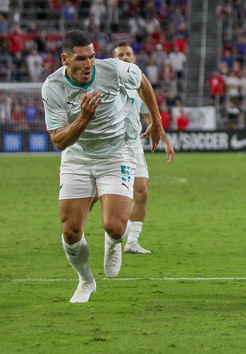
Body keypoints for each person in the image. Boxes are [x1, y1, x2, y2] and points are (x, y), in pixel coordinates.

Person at [42, 30, 163, 303]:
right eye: (81, 58)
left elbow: (142, 79)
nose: (89, 64)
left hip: (116, 154)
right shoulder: (53, 87)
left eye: (92, 57)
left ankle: (114, 243)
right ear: (65, 59)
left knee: (115, 227)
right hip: (77, 157)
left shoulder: (113, 69)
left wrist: (156, 120)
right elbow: (59, 141)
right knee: (71, 230)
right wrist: (83, 120)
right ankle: (86, 281)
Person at [89, 41, 175, 254]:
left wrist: (166, 142)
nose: (125, 57)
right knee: (93, 194)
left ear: (134, 59)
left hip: (133, 145)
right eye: (120, 55)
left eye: (128, 54)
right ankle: (75, 230)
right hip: (107, 145)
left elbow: (152, 118)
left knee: (142, 191)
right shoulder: (103, 84)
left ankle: (132, 242)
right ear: (113, 59)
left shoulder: (139, 87)